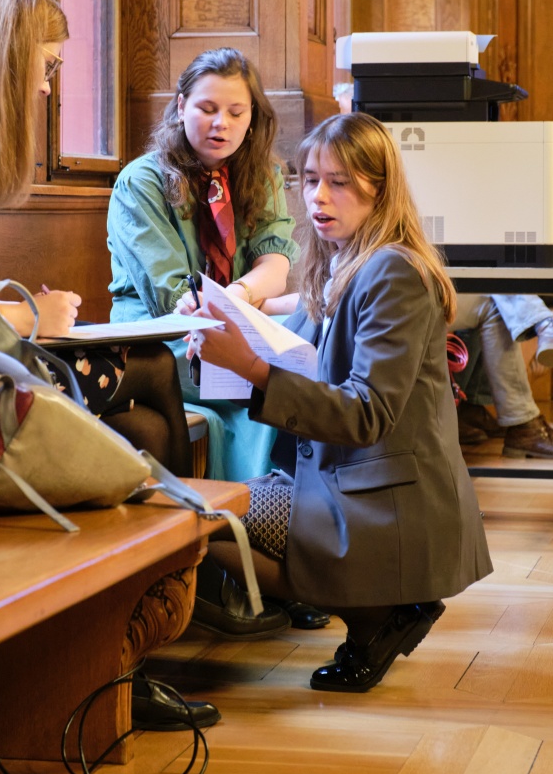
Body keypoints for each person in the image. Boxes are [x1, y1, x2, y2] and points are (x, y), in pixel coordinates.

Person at [0, 0, 210, 730]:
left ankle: (125, 649)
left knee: (142, 413)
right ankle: (139, 645)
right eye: (45, 66)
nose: (48, 87)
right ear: (5, 57)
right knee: (149, 371)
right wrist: (27, 316)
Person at [188, 111, 493, 692]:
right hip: (347, 481)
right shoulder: (344, 260)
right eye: (309, 180)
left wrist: (247, 364)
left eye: (339, 182)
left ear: (379, 187)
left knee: (199, 518)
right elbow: (295, 344)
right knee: (199, 509)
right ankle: (381, 612)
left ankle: (378, 614)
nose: (318, 197)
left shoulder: (392, 272)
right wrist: (223, 325)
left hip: (382, 500)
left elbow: (367, 412)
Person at [107, 47, 330, 636]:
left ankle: (286, 563)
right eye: (207, 108)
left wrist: (242, 298)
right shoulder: (142, 181)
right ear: (181, 106)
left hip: (235, 321)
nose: (221, 124)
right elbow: (171, 294)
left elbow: (276, 264)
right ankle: (231, 573)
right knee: (264, 392)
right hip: (161, 341)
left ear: (253, 117)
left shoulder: (258, 175)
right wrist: (226, 312)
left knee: (309, 367)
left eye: (236, 111)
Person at [452, 295, 553, 457]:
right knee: (495, 306)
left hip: (431, 290)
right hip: (414, 295)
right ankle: (522, 421)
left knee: (491, 296)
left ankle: (470, 407)